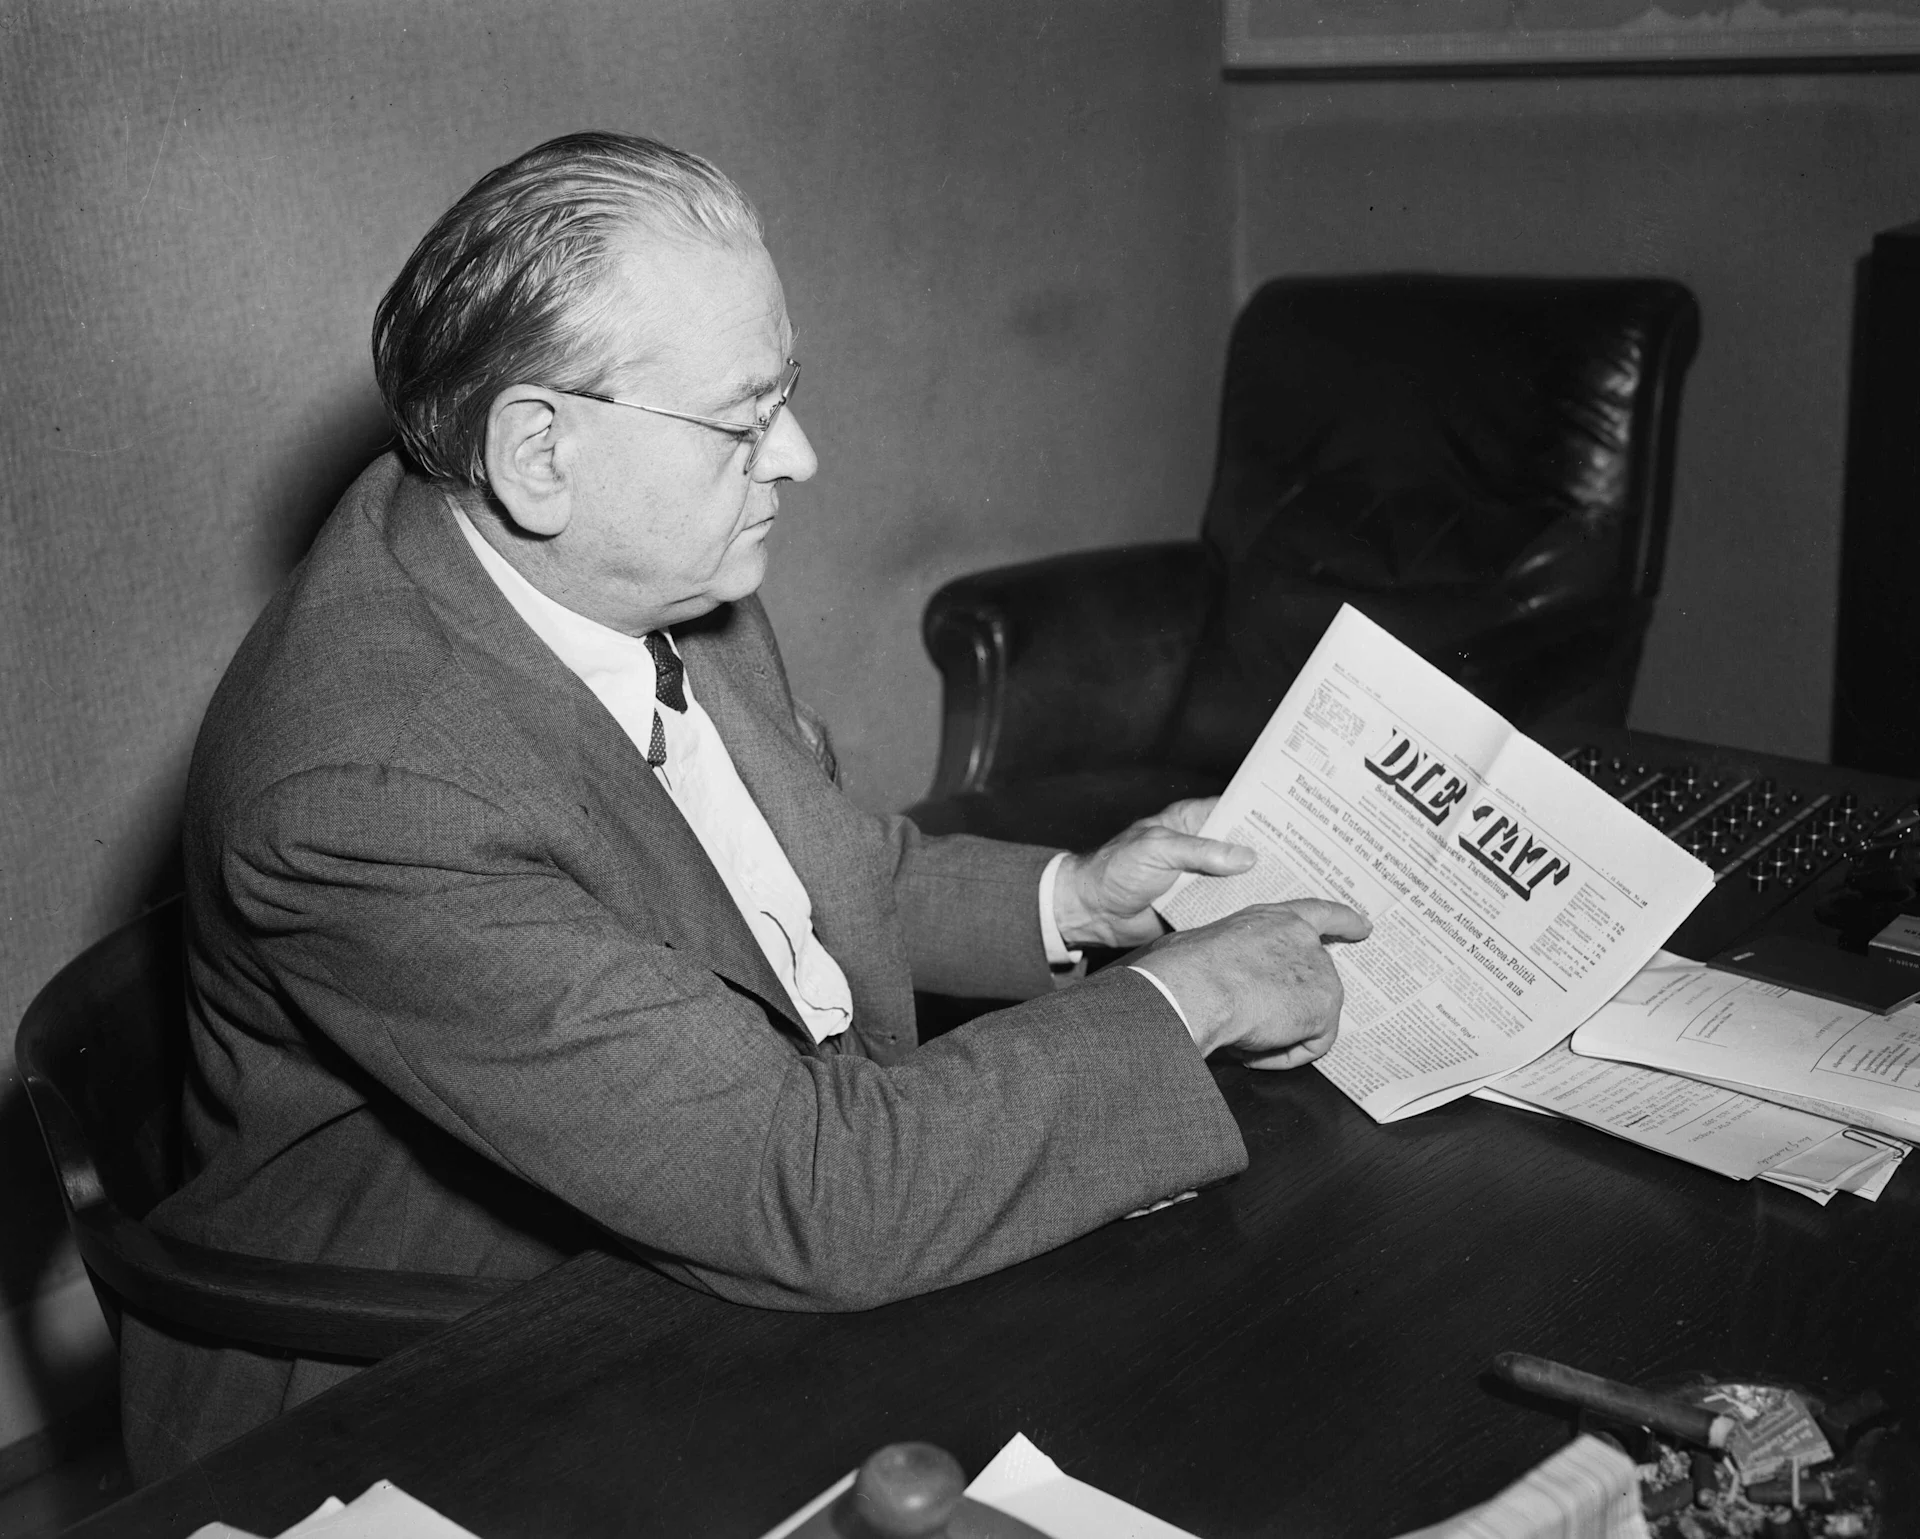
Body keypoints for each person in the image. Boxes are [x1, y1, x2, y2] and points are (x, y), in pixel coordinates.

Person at [121, 132, 1368, 1478]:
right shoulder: (369, 792)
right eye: (744, 419)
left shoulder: (633, 559)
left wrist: (1074, 899)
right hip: (442, 1377)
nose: (800, 457)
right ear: (537, 451)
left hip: (735, 1202)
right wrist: (1190, 999)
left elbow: (795, 870)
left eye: (788, 395)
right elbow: (814, 1189)